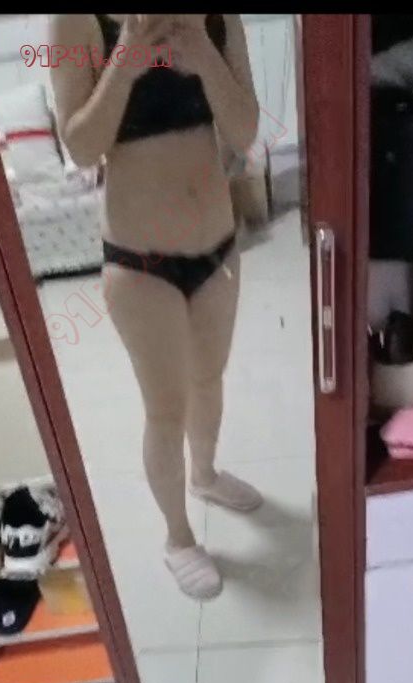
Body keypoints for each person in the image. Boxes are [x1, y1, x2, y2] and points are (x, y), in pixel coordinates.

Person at [50, 14, 262, 599]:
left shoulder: (216, 16)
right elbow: (81, 147)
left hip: (217, 245)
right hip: (139, 261)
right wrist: (124, 63)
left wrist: (204, 55)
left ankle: (205, 475)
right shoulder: (75, 21)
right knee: (165, 409)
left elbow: (245, 131)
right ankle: (177, 537)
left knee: (209, 379)